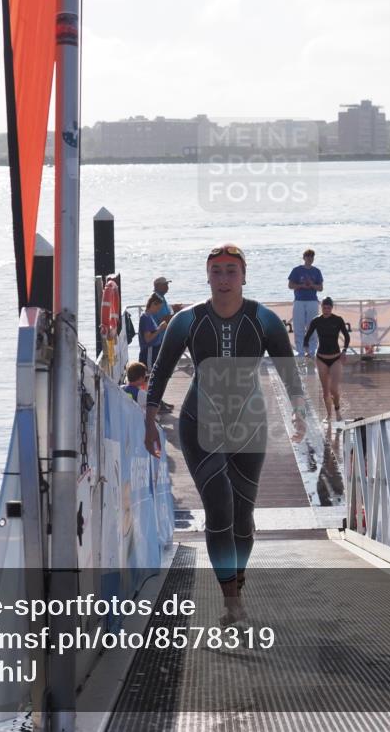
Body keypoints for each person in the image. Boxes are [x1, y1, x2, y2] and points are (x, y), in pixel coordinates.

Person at [145, 243, 308, 625]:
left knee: (243, 519)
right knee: (220, 508)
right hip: (200, 424)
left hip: (249, 427)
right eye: (216, 271)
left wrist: (300, 412)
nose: (223, 278)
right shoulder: (188, 320)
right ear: (207, 276)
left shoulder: (263, 319)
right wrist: (148, 418)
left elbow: (288, 372)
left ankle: (237, 580)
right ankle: (232, 602)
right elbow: (161, 371)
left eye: (231, 271)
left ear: (244, 276)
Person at [304, 297, 350, 421]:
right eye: (324, 307)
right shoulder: (316, 320)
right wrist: (307, 352)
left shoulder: (338, 320)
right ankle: (329, 415)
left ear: (332, 308)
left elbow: (346, 336)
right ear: (321, 307)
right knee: (325, 392)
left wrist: (344, 351)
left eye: (329, 308)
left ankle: (337, 410)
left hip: (335, 358)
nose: (326, 310)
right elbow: (306, 338)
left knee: (333, 389)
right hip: (321, 359)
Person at [288, 249, 323, 357]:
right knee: (298, 326)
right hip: (299, 301)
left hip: (312, 301)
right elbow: (290, 285)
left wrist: (312, 285)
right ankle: (300, 351)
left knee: (312, 326)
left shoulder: (316, 271)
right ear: (304, 258)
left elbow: (320, 288)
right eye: (308, 256)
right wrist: (301, 286)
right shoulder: (297, 270)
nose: (310, 259)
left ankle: (312, 350)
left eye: (312, 257)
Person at [137, 295, 168, 369]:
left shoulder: (150, 316)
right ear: (153, 304)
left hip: (153, 350)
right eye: (158, 308)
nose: (158, 310)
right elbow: (147, 339)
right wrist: (160, 328)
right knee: (149, 373)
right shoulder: (146, 318)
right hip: (149, 351)